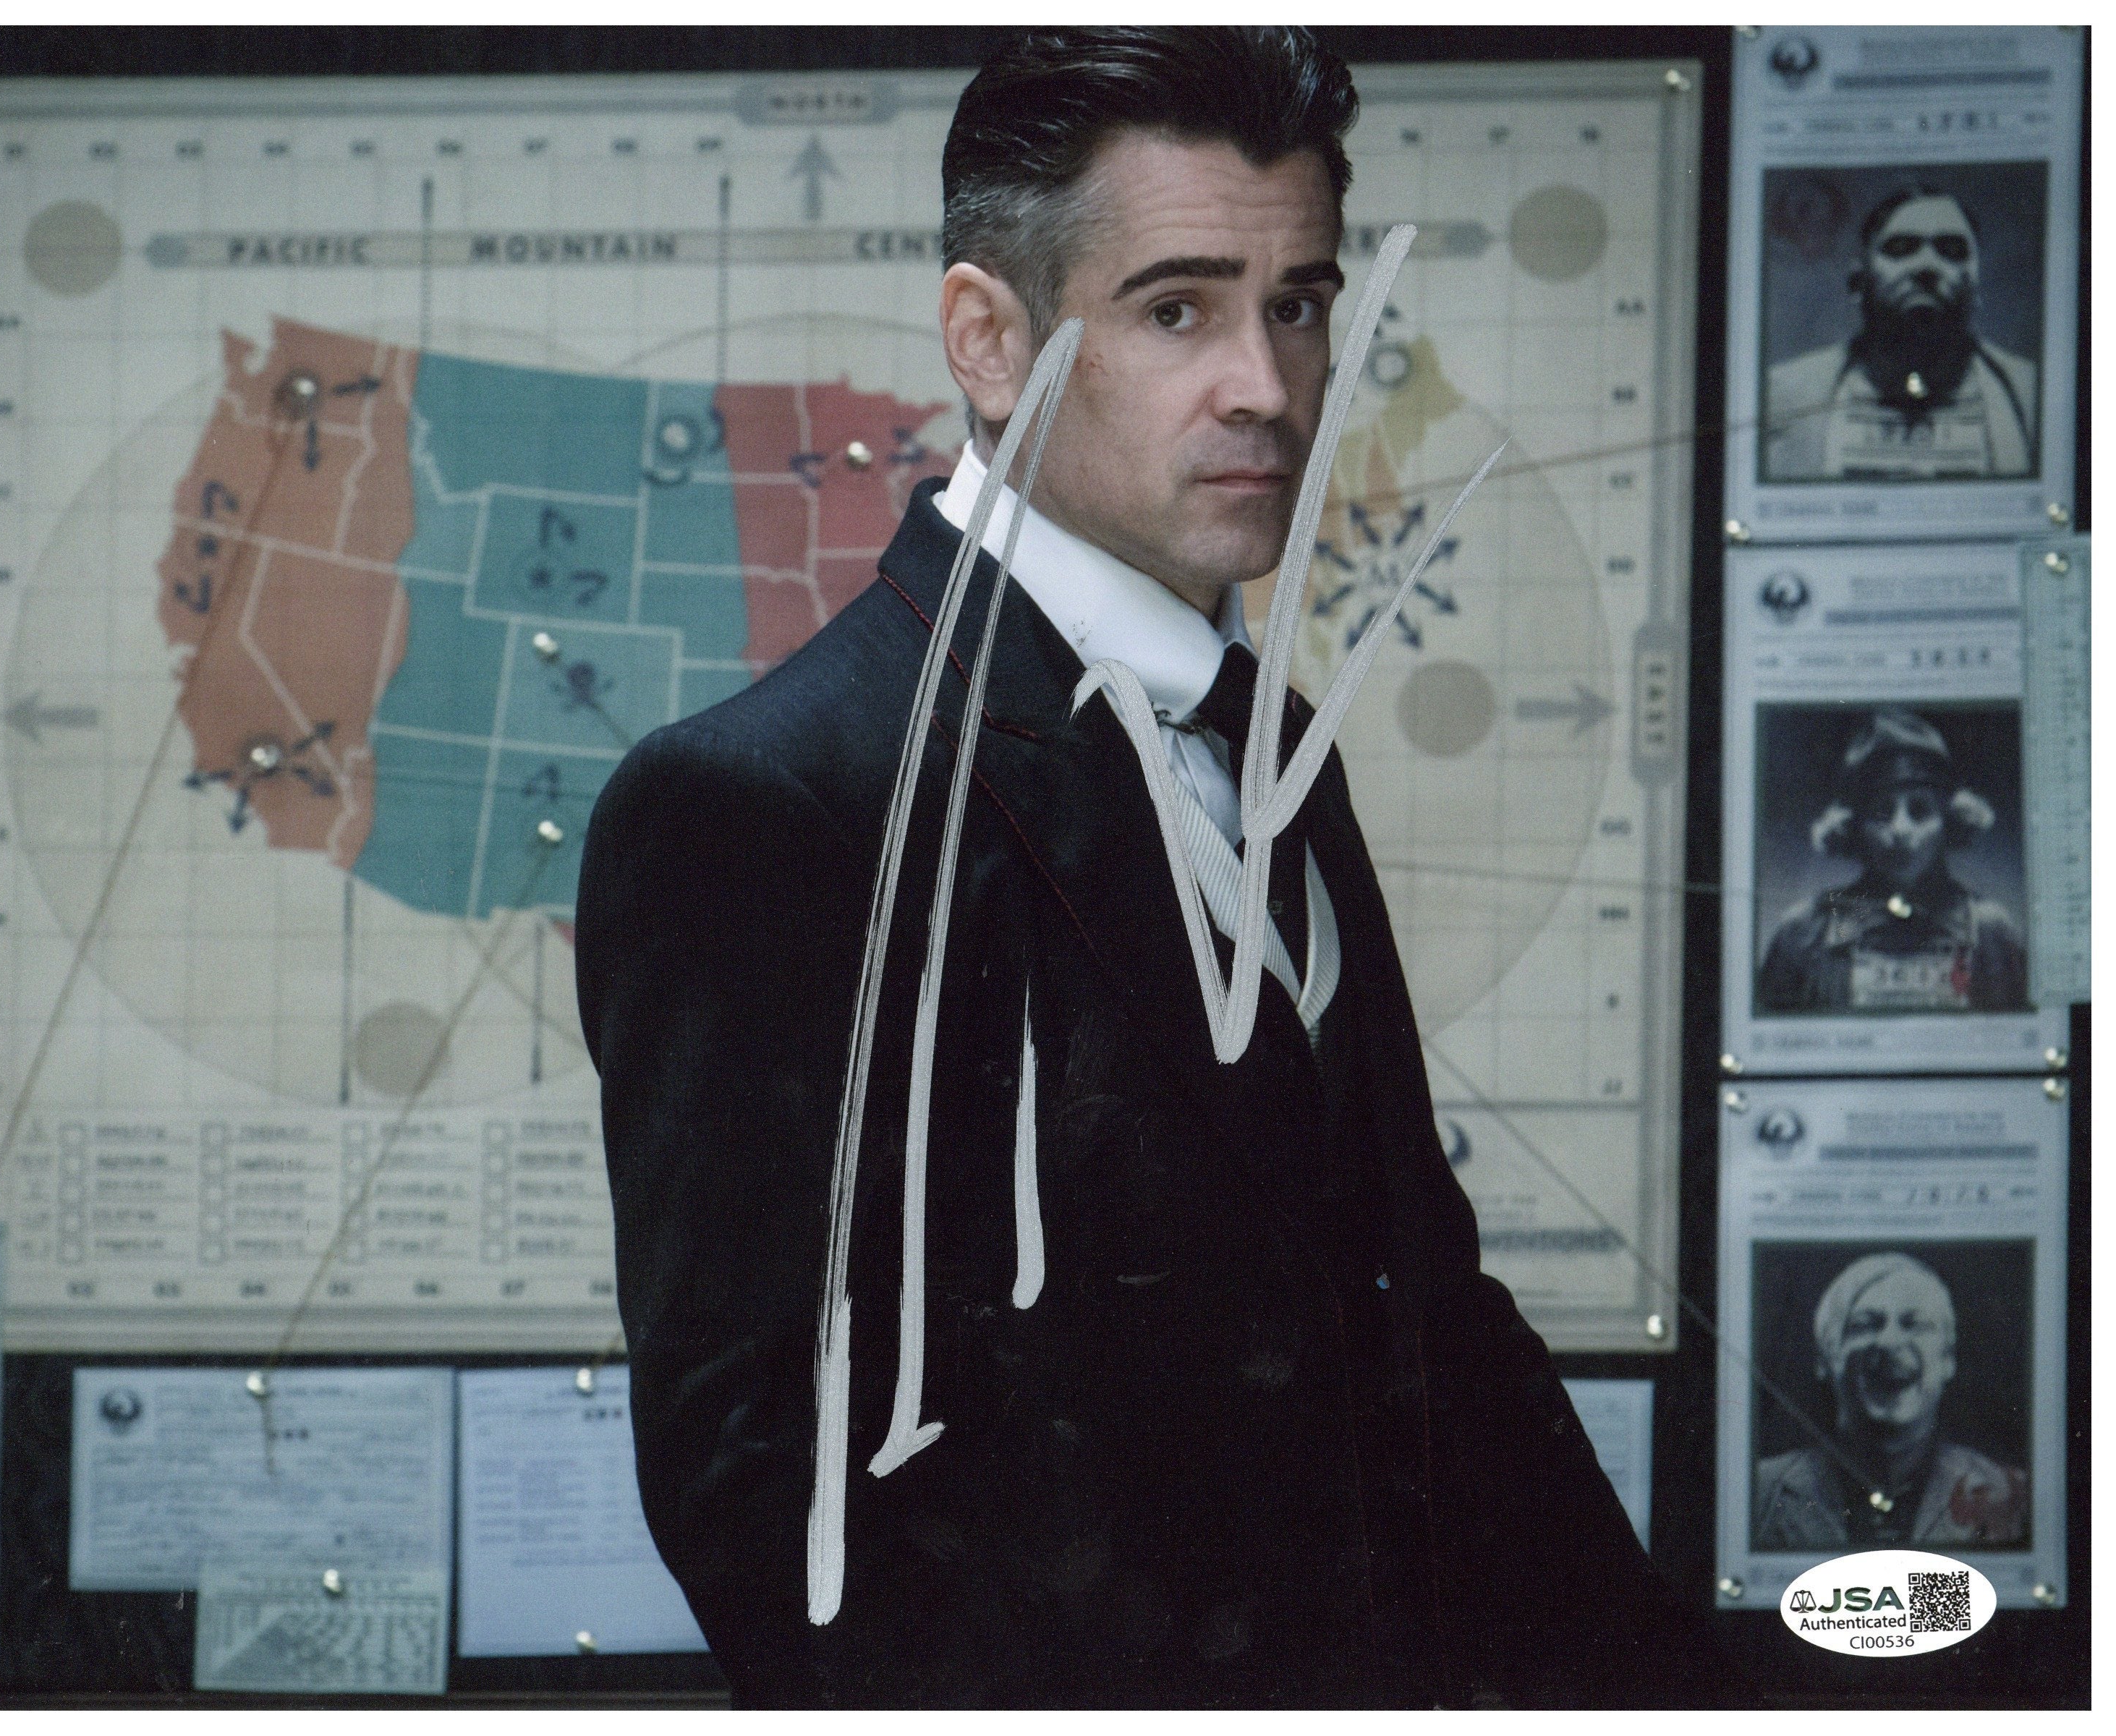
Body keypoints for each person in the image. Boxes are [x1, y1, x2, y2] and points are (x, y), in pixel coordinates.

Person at [577, 28, 1728, 1708]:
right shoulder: (767, 803)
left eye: (1299, 306)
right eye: (1177, 310)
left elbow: (1422, 1318)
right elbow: (779, 1521)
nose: (1265, 384)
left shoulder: (1264, 736)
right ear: (990, 340)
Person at [1756, 707, 2027, 1014]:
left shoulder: (1991, 932)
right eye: (1881, 812)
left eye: (1920, 810)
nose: (1900, 830)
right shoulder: (1804, 931)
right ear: (1854, 828)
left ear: (1950, 823)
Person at [1753, 1252, 2028, 1550]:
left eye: (1914, 1324)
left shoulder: (2012, 1494)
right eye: (1865, 1325)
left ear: (1947, 1360)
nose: (1889, 1342)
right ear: (1825, 1359)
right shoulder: (1758, 1490)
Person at [1764, 184, 2039, 480]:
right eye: (1901, 249)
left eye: (1951, 250)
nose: (1927, 266)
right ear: (1858, 282)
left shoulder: (2032, 395)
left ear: (1976, 283)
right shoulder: (1782, 397)